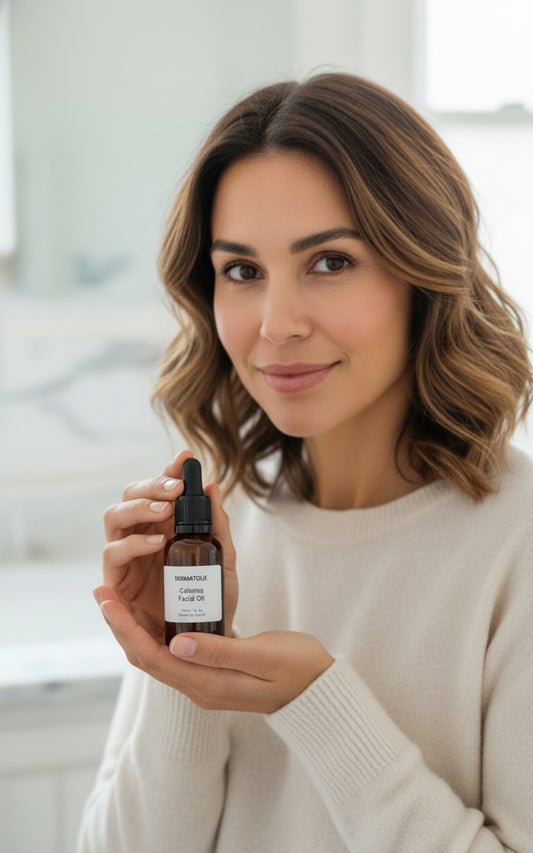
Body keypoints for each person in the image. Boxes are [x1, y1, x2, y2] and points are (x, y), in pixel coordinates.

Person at [77, 73, 533, 852]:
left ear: (422, 271)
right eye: (241, 271)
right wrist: (181, 656)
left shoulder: (515, 542)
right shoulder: (212, 534)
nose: (275, 324)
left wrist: (317, 702)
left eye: (328, 262)